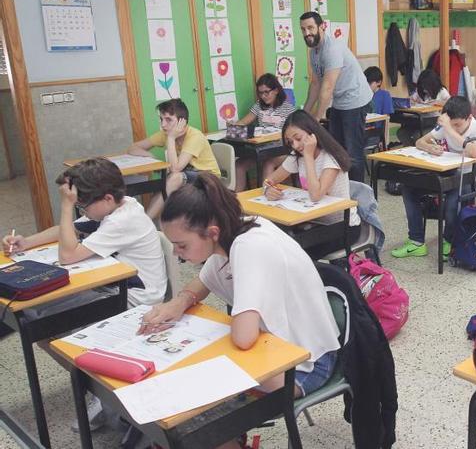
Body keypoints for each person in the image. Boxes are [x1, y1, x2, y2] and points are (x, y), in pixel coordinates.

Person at [139, 173, 340, 420]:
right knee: (184, 387)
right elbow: (202, 282)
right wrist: (179, 302)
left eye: (182, 245)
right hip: (279, 348)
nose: (177, 254)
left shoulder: (249, 246)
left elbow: (244, 338)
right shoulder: (230, 233)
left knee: (195, 410)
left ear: (212, 232)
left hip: (305, 364)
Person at [3, 158, 167, 431]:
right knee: (37, 320)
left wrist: (66, 205)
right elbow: (70, 230)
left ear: (106, 198)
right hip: (108, 287)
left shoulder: (124, 219)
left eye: (82, 204)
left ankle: (94, 387)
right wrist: (26, 242)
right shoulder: (112, 208)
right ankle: (91, 384)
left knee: (43, 325)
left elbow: (68, 255)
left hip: (133, 300)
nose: (80, 209)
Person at [391, 97, 476, 259]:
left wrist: (449, 129)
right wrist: (430, 147)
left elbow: (473, 152)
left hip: (470, 178)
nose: (455, 129)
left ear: (469, 118)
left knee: (452, 197)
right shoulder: (447, 124)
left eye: (458, 125)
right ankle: (416, 242)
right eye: (452, 125)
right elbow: (420, 142)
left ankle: (449, 240)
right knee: (409, 188)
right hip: (447, 173)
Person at [263, 110, 361, 257]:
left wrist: (308, 155)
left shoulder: (330, 158)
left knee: (296, 252)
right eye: (290, 142)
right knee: (277, 240)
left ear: (312, 133)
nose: (295, 145)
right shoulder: (297, 156)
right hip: (314, 222)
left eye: (298, 138)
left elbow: (316, 195)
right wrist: (267, 190)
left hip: (342, 227)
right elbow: (269, 180)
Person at [300, 11, 373, 183]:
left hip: (355, 100)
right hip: (340, 101)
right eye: (303, 29)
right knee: (336, 148)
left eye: (310, 28)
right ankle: (341, 187)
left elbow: (327, 88)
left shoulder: (331, 49)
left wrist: (316, 119)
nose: (307, 33)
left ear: (322, 26)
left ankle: (357, 195)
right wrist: (305, 113)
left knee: (352, 149)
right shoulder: (314, 52)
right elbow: (316, 84)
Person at [128, 99, 220, 219]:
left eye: (168, 120)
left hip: (209, 178)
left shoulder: (194, 136)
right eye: (161, 119)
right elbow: (133, 148)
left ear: (182, 121)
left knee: (174, 177)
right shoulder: (165, 134)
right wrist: (151, 156)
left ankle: (145, 222)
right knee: (163, 181)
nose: (163, 125)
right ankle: (149, 221)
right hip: (187, 175)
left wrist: (171, 138)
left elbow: (176, 169)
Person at [227, 73, 296, 191]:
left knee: (268, 164)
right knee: (239, 165)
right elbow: (243, 122)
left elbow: (292, 134)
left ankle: (265, 198)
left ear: (276, 90)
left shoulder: (288, 108)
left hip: (282, 150)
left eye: (266, 92)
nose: (263, 96)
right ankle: (238, 201)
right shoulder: (259, 106)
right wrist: (234, 124)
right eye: (260, 93)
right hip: (261, 149)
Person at [397, 69, 451, 146]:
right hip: (419, 119)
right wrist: (412, 100)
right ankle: (413, 149)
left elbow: (450, 103)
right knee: (401, 133)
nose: (424, 90)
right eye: (422, 87)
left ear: (433, 85)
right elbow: (410, 99)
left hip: (434, 120)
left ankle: (419, 148)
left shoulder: (442, 91)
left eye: (426, 87)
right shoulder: (420, 91)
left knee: (417, 135)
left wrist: (438, 103)